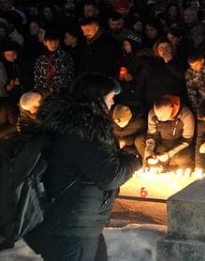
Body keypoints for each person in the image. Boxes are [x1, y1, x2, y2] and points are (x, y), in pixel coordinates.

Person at [24, 73, 141, 261]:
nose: (112, 103)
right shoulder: (84, 131)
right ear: (97, 98)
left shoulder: (70, 125)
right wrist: (133, 161)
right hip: (71, 225)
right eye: (110, 98)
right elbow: (109, 176)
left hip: (77, 221)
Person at [143, 94, 195, 170]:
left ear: (171, 109)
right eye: (157, 115)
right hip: (162, 142)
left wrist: (169, 154)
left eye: (162, 116)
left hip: (179, 144)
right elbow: (152, 135)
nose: (159, 118)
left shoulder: (185, 115)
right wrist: (150, 151)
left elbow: (187, 140)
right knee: (154, 161)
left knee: (181, 158)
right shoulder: (152, 114)